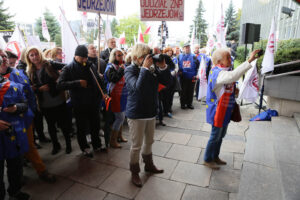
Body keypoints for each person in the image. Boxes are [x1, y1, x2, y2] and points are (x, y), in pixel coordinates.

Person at [0, 48, 55, 183]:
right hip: (4, 125)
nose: (4, 59)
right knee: (9, 152)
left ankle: (41, 170)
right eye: (1, 57)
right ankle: (17, 176)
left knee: (29, 145)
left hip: (23, 118)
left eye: (5, 56)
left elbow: (29, 94)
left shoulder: (18, 73)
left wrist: (30, 111)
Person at [204, 48, 261, 170]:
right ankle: (207, 159)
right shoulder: (218, 73)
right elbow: (232, 76)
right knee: (215, 136)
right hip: (217, 111)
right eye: (228, 58)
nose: (231, 60)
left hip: (224, 110)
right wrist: (249, 60)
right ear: (220, 61)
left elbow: (229, 79)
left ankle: (215, 156)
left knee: (221, 135)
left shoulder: (223, 70)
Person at [125, 43, 171, 187]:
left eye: (149, 56)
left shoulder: (152, 69)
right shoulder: (129, 70)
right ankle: (134, 172)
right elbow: (136, 88)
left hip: (151, 112)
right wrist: (144, 69)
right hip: (136, 113)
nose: (149, 59)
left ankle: (148, 165)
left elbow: (167, 82)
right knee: (136, 145)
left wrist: (163, 67)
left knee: (149, 142)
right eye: (145, 56)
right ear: (137, 57)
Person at [57, 45, 108, 158]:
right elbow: (60, 85)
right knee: (82, 127)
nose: (85, 60)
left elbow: (99, 80)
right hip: (79, 103)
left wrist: (103, 92)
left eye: (86, 57)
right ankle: (84, 147)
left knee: (95, 124)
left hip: (93, 101)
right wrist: (77, 83)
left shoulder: (90, 65)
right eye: (82, 58)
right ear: (76, 56)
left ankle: (97, 145)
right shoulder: (68, 68)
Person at [26, 47, 71, 155]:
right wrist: (38, 89)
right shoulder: (29, 71)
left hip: (58, 99)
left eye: (36, 54)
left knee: (63, 125)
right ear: (28, 58)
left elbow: (67, 67)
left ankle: (68, 144)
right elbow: (30, 88)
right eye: (31, 55)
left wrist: (59, 79)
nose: (35, 57)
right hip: (44, 103)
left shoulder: (49, 64)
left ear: (40, 54)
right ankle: (56, 145)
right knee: (51, 126)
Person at [0, 73, 31, 200]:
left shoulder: (13, 86)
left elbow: (25, 105)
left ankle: (15, 190)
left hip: (13, 135)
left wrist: (16, 108)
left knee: (15, 166)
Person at [105, 48, 128, 148]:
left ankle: (119, 136)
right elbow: (113, 79)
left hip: (122, 95)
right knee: (120, 117)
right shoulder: (110, 67)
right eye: (119, 55)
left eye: (122, 55)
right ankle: (112, 140)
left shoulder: (121, 65)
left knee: (122, 116)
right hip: (115, 96)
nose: (121, 57)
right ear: (113, 56)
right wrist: (121, 70)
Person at [178, 43, 200, 109]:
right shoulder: (179, 56)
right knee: (183, 91)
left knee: (190, 91)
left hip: (192, 77)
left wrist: (197, 75)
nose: (187, 48)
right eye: (186, 47)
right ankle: (183, 104)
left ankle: (189, 104)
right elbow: (177, 65)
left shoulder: (194, 56)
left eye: (188, 47)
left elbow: (198, 66)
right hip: (183, 77)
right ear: (183, 49)